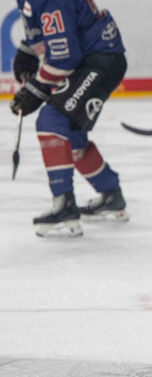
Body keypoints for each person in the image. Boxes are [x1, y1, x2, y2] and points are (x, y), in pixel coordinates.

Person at [10, 0, 128, 237]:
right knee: (69, 133)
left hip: (99, 59)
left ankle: (65, 206)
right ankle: (111, 194)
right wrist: (29, 48)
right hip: (94, 57)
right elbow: (56, 28)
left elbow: (65, 59)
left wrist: (36, 89)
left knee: (52, 121)